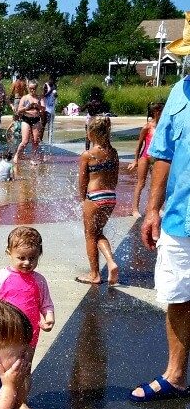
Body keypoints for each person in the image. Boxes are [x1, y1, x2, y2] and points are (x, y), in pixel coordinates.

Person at [130, 13, 190, 402]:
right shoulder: (180, 94)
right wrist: (152, 209)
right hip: (181, 218)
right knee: (179, 295)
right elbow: (163, 153)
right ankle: (176, 375)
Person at [0, 227, 55, 409]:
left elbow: (46, 303)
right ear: (9, 253)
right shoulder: (0, 277)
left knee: (24, 370)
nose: (27, 263)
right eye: (21, 258)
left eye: (33, 258)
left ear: (39, 255)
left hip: (29, 335)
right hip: (2, 334)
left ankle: (20, 402)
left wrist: (49, 318)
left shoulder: (39, 281)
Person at [76, 115, 119, 285]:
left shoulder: (88, 155)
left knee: (89, 235)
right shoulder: (113, 153)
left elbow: (83, 181)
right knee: (98, 232)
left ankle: (94, 274)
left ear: (91, 133)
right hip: (110, 196)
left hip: (94, 196)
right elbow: (115, 178)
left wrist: (83, 199)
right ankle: (110, 261)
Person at [127, 102, 164, 218]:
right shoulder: (147, 127)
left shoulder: (163, 126)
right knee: (141, 183)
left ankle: (154, 207)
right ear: (156, 112)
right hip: (145, 157)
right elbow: (139, 145)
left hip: (156, 158)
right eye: (162, 111)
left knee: (156, 184)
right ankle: (135, 209)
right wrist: (135, 160)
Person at [14, 80, 44, 163]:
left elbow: (43, 109)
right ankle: (17, 154)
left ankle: (33, 158)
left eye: (34, 88)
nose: (32, 90)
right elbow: (19, 110)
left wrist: (37, 106)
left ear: (36, 88)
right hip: (26, 119)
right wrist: (27, 108)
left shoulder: (39, 98)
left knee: (35, 141)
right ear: (28, 88)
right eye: (31, 88)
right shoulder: (24, 98)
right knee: (25, 141)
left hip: (36, 119)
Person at [40, 76, 58, 143]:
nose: (52, 82)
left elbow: (56, 96)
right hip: (45, 108)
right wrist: (50, 91)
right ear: (49, 79)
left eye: (54, 81)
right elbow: (43, 95)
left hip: (52, 109)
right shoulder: (46, 85)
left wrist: (56, 95)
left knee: (51, 126)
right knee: (43, 125)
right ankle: (40, 140)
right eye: (52, 81)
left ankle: (50, 141)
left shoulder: (54, 86)